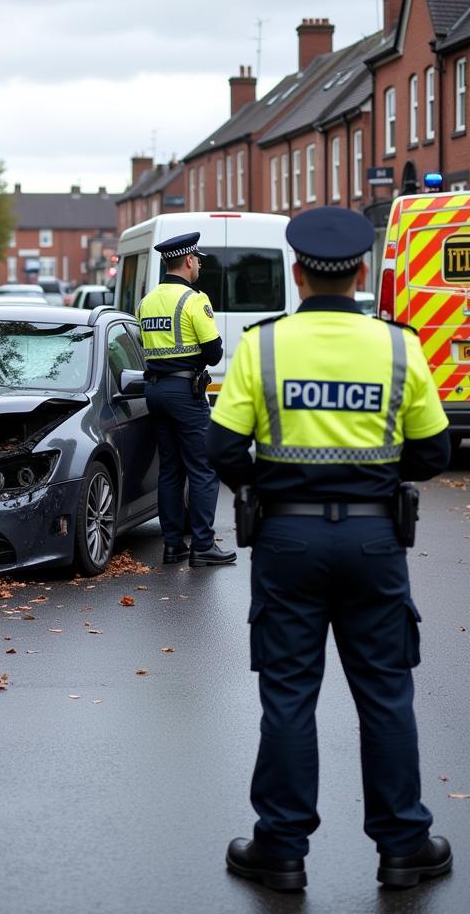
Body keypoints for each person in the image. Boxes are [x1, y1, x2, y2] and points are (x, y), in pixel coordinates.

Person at [207, 206, 452, 892]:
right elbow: (433, 451)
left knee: (288, 696)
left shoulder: (264, 347)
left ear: (297, 273)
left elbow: (222, 447)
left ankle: (280, 849)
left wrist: (274, 486)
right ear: (362, 272)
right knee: (385, 693)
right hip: (376, 539)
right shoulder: (400, 347)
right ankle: (405, 846)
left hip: (287, 538)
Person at [137, 232, 236, 567]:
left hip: (155, 391)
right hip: (185, 393)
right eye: (199, 260)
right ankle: (203, 546)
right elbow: (213, 353)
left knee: (170, 469)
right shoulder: (194, 300)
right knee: (203, 468)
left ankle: (172, 545)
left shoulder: (147, 301)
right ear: (189, 261)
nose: (200, 266)